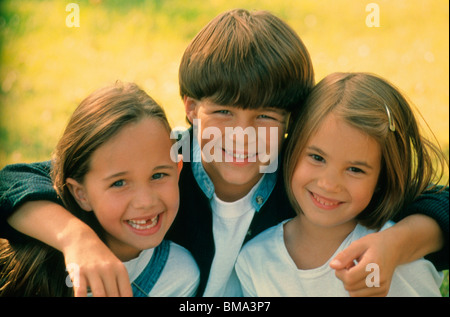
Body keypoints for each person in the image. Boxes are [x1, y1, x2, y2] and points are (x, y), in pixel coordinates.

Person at [0, 9, 448, 297]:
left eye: (266, 118)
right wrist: (76, 240)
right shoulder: (164, 158)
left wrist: (391, 246)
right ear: (192, 109)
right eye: (223, 112)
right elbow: (19, 180)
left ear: (291, 121)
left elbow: (436, 200)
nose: (242, 135)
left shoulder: (307, 176)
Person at [235, 72, 448, 296]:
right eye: (317, 158)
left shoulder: (396, 256)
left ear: (381, 179)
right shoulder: (254, 260)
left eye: (355, 169)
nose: (328, 184)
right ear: (292, 148)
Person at [0, 82, 200, 296]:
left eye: (158, 175)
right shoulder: (36, 256)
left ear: (178, 169)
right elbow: (8, 181)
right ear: (81, 194)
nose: (146, 201)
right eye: (119, 183)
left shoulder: (178, 277)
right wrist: (76, 238)